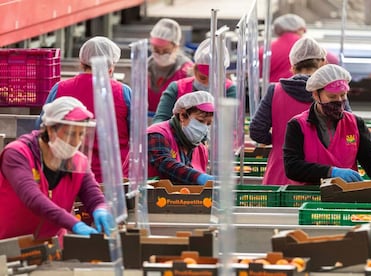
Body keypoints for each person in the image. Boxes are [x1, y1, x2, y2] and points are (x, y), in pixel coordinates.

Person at [0, 97, 114, 244]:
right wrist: (74, 224)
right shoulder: (18, 154)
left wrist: (101, 209)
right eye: (70, 133)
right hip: (10, 246)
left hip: (52, 248)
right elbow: (33, 198)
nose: (76, 142)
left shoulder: (78, 162)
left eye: (81, 134)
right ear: (50, 129)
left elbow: (93, 195)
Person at [35, 36, 131, 183]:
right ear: (111, 67)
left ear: (81, 63)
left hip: (66, 176)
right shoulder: (124, 93)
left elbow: (39, 129)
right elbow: (139, 138)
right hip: (111, 182)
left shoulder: (59, 89)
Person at [283, 64, 371, 184]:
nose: (339, 100)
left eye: (343, 95)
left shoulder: (355, 123)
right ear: (315, 95)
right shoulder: (298, 125)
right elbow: (292, 167)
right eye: (332, 96)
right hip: (311, 197)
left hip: (346, 196)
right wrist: (331, 172)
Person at [250, 37, 329, 185]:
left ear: (292, 67)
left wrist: (279, 140)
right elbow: (348, 129)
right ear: (323, 63)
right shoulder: (332, 93)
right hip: (322, 176)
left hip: (280, 175)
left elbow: (256, 131)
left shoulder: (274, 91)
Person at [123, 91, 215, 185]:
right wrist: (201, 178)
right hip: (139, 196)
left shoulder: (201, 150)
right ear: (182, 115)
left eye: (208, 124)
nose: (204, 127)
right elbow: (165, 164)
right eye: (200, 121)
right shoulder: (156, 135)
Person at [152, 38, 236, 124]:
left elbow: (231, 123)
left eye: (214, 79)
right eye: (203, 78)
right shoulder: (177, 88)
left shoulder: (229, 90)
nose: (208, 83)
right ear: (195, 70)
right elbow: (161, 119)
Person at [259, 13, 339, 83]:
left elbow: (257, 73)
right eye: (303, 30)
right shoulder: (309, 47)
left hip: (277, 93)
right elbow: (334, 60)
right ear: (299, 29)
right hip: (308, 92)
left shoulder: (265, 50)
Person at [148, 18, 194, 115]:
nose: (160, 54)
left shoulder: (187, 71)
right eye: (156, 49)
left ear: (175, 47)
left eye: (165, 51)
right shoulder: (145, 68)